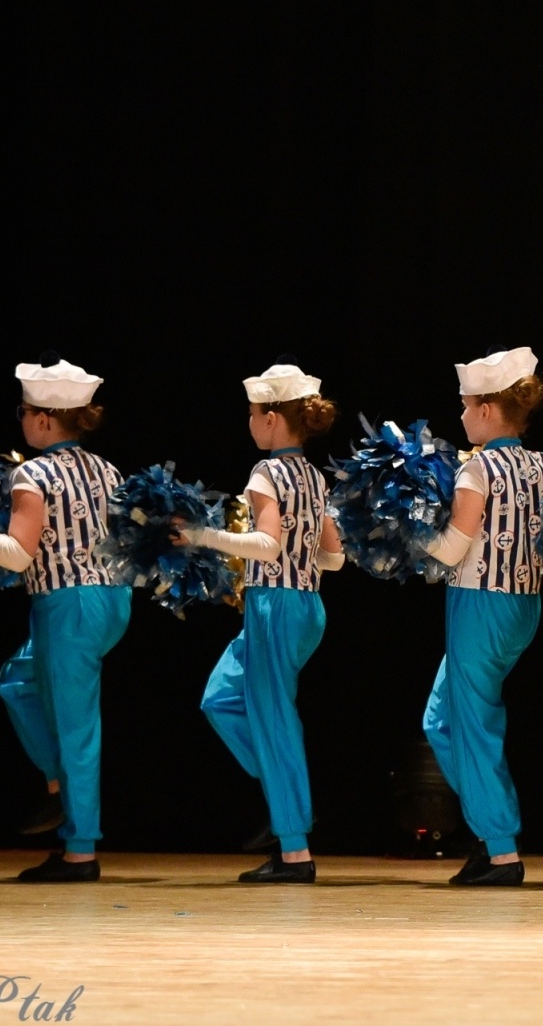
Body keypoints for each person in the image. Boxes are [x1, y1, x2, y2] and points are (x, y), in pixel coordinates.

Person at [0, 353, 131, 882]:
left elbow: (17, 554)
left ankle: (80, 852)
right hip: (110, 601)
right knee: (18, 681)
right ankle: (58, 785)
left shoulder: (33, 473)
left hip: (69, 604)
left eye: (25, 412)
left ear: (46, 421)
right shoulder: (107, 469)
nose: (23, 421)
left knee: (76, 723)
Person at [177, 360, 345, 883]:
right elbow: (335, 558)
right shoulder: (314, 477)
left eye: (252, 414)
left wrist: (203, 536)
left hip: (276, 605)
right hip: (303, 606)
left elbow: (268, 544)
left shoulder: (266, 473)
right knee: (220, 698)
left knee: (273, 719)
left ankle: (294, 852)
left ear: (272, 418)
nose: (249, 423)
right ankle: (284, 792)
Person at [419, 347, 543, 887]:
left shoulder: (478, 468)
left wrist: (409, 533)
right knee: (440, 721)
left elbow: (453, 549)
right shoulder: (538, 464)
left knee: (473, 724)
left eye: (466, 405)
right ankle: (488, 827)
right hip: (521, 604)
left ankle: (501, 851)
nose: (461, 415)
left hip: (480, 604)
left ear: (488, 410)